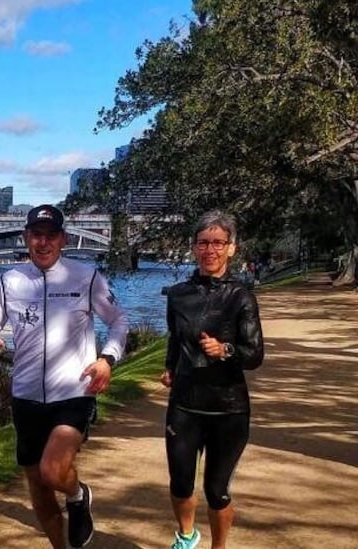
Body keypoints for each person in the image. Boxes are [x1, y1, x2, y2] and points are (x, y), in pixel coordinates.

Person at [0, 204, 128, 549]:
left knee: (53, 471)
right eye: (36, 235)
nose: (43, 243)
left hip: (74, 391)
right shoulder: (10, 281)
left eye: (50, 235)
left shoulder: (86, 277)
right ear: (26, 237)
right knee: (38, 489)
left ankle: (77, 493)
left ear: (63, 239)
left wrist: (107, 359)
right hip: (25, 396)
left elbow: (119, 321)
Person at [160, 210, 264, 549]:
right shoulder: (177, 294)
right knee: (180, 483)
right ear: (194, 248)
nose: (211, 250)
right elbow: (175, 339)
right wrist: (169, 366)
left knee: (216, 492)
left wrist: (225, 349)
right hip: (185, 405)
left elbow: (254, 355)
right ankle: (186, 536)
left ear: (232, 248)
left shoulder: (241, 297)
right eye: (204, 242)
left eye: (219, 243)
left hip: (228, 408)